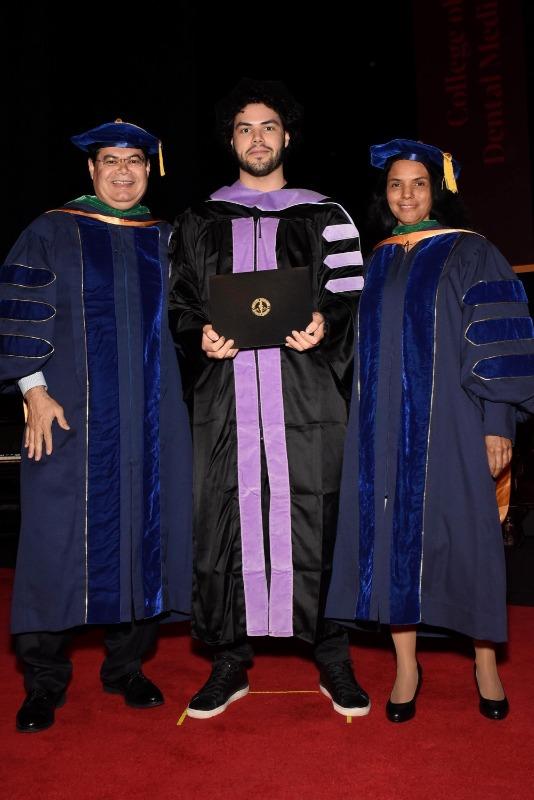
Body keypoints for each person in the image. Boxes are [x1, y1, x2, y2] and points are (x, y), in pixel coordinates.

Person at [169, 79, 368, 719]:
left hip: (306, 396)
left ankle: (333, 653)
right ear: (230, 140)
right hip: (226, 398)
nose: (257, 139)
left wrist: (326, 323)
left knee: (319, 511)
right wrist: (197, 334)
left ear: (288, 136)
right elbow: (179, 303)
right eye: (245, 128)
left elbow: (352, 294)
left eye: (269, 127)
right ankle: (229, 660)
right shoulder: (198, 221)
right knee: (222, 515)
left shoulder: (326, 216)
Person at [325, 138, 534, 722]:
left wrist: (499, 421)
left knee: (469, 540)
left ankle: (486, 664)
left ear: (438, 191)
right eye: (396, 185)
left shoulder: (472, 251)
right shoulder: (378, 259)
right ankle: (406, 667)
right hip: (383, 430)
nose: (407, 194)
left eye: (419, 184)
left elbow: (499, 338)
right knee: (391, 538)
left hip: (455, 426)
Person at [0, 120, 192, 732]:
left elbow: (194, 314)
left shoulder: (165, 237)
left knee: (142, 532)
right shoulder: (52, 230)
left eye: (134, 161)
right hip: (68, 416)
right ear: (91, 168)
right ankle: (44, 680)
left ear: (148, 169)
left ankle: (126, 667)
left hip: (149, 418)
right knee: (53, 541)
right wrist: (32, 391)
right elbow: (19, 310)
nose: (123, 172)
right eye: (111, 160)